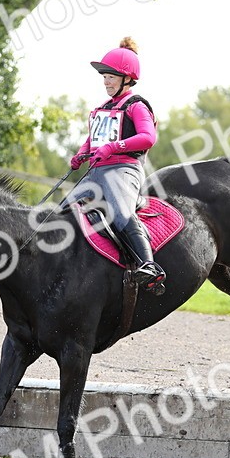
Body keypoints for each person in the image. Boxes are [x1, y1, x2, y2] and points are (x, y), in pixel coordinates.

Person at [61, 37, 166, 291]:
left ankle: (149, 266)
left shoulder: (136, 105)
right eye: (104, 77)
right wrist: (81, 154)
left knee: (121, 213)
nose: (106, 82)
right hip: (95, 172)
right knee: (61, 212)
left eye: (111, 77)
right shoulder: (103, 108)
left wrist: (113, 147)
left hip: (123, 170)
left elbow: (148, 137)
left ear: (127, 79)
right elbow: (93, 139)